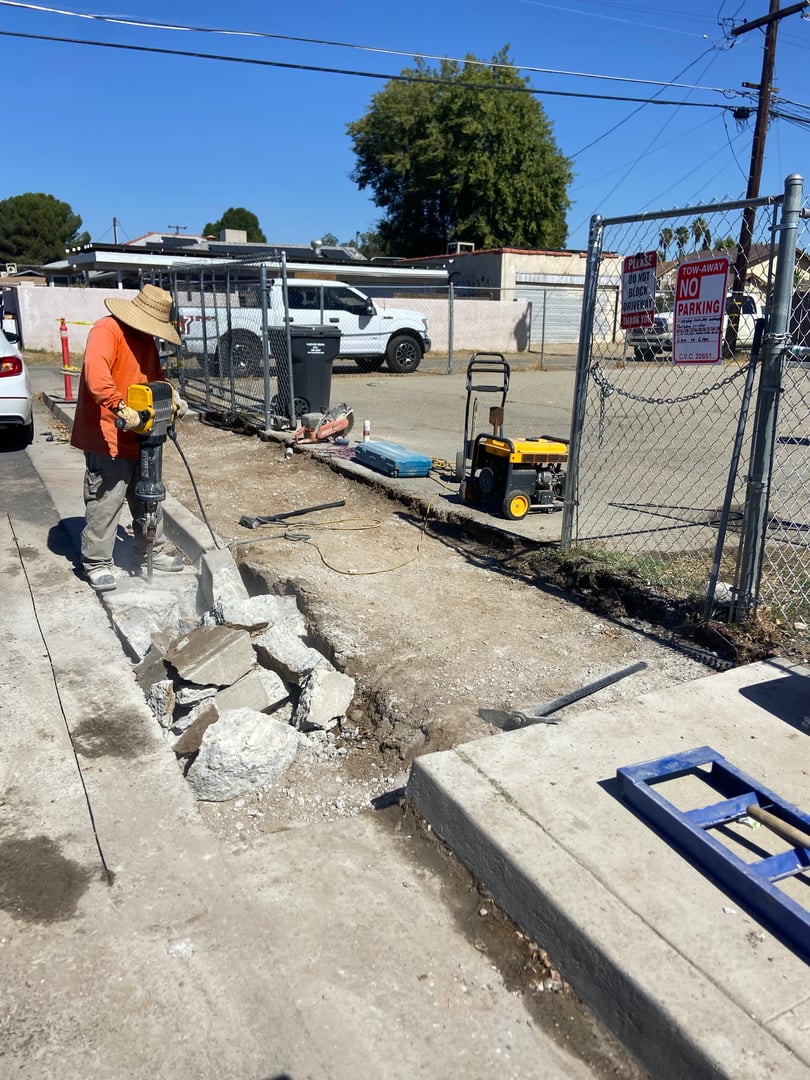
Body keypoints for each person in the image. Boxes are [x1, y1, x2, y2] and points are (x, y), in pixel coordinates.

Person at [70, 284, 188, 592]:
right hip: (108, 433)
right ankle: (97, 562)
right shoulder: (105, 331)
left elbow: (156, 378)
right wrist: (122, 408)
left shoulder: (146, 340)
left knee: (147, 495)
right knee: (106, 500)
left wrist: (172, 397)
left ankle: (151, 552)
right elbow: (97, 379)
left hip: (143, 435)